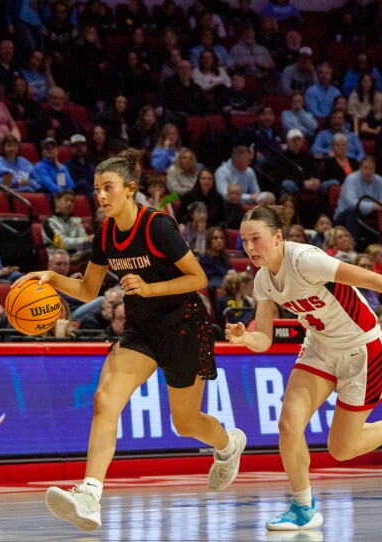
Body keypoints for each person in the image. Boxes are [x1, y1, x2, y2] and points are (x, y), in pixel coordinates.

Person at [15, 149, 246, 532]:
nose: (101, 197)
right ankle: (90, 495)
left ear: (130, 189)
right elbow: (89, 288)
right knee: (105, 399)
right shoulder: (105, 233)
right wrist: (53, 279)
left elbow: (199, 280)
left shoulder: (158, 227)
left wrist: (150, 288)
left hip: (182, 326)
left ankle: (228, 445)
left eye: (108, 188)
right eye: (97, 190)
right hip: (140, 331)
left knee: (185, 424)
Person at [225, 204, 382, 531]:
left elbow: (375, 280)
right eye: (244, 241)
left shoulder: (306, 260)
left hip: (362, 348)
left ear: (278, 237)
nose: (249, 247)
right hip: (320, 346)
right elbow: (264, 338)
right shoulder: (263, 279)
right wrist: (244, 338)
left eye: (256, 239)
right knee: (289, 424)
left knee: (341, 449)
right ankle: (303, 507)